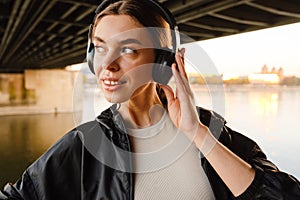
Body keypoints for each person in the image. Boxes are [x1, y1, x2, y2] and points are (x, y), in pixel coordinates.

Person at [1, 0, 300, 199]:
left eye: (128, 50)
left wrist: (197, 134)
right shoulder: (82, 145)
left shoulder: (210, 129)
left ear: (161, 60)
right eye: (100, 48)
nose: (108, 65)